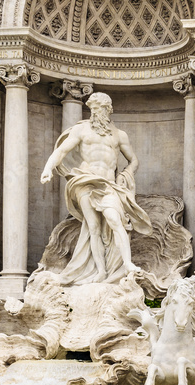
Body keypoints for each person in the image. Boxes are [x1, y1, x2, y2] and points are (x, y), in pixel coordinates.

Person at [40, 92, 151, 285]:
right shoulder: (82, 130)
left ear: (108, 109)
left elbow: (133, 160)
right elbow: (62, 151)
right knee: (93, 227)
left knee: (115, 220)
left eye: (99, 108)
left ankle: (127, 264)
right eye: (93, 108)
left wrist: (126, 174)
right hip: (85, 180)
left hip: (108, 184)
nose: (95, 112)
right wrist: (48, 168)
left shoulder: (119, 135)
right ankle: (100, 271)